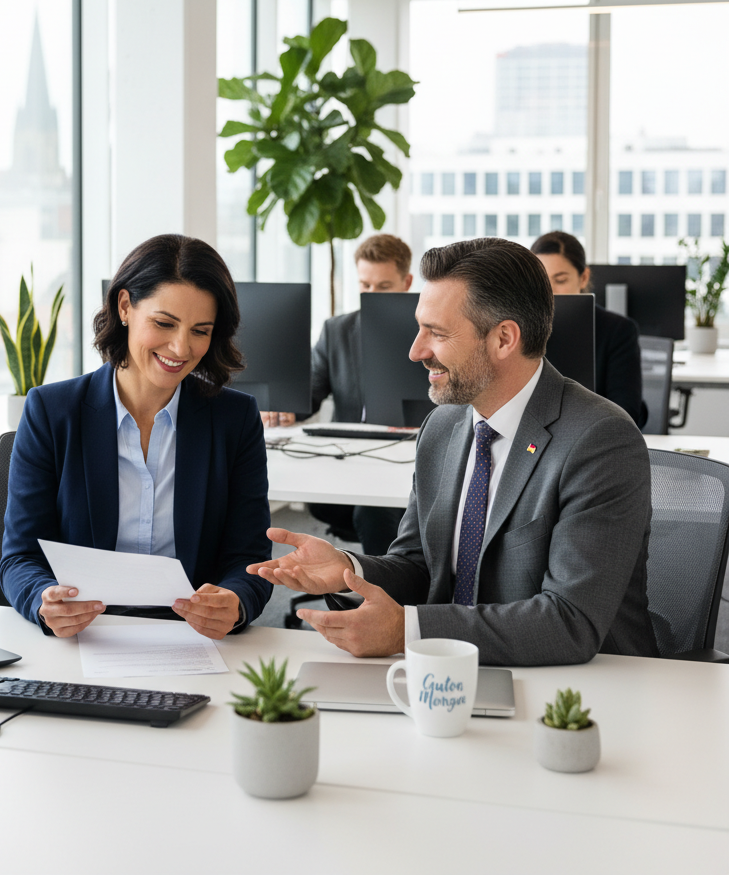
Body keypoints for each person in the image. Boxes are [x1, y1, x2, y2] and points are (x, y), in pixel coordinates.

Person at [248, 237, 658, 667]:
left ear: (503, 339)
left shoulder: (600, 440)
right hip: (453, 673)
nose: (416, 351)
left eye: (437, 333)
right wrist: (350, 569)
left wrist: (407, 631)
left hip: (583, 691)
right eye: (420, 327)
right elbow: (419, 564)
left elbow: (569, 622)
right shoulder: (444, 426)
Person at [0, 234, 273, 639]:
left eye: (200, 330)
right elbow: (19, 557)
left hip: (190, 639)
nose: (181, 347)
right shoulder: (51, 411)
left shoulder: (235, 419)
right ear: (125, 306)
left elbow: (249, 558)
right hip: (86, 635)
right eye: (164, 323)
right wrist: (43, 599)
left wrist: (235, 602)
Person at [263, 233, 413, 555]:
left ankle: (383, 593)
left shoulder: (429, 335)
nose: (371, 295)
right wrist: (288, 407)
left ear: (407, 281)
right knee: (369, 511)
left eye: (383, 287)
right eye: (365, 285)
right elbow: (312, 392)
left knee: (374, 511)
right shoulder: (337, 330)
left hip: (406, 462)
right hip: (348, 462)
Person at [532, 230, 645, 427]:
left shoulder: (618, 330)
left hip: (593, 437)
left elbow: (626, 412)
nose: (548, 291)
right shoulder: (517, 329)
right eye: (540, 280)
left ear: (583, 278)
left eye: (560, 280)